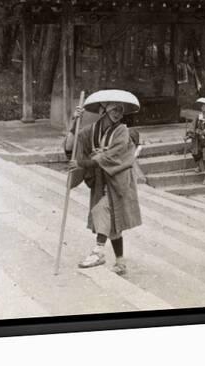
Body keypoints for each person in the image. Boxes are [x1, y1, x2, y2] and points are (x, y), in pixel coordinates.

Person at [63, 89, 142, 276]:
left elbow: (113, 155)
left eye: (120, 110)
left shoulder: (122, 131)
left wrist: (84, 162)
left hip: (118, 179)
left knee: (102, 211)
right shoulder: (91, 131)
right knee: (112, 222)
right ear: (103, 110)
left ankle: (98, 252)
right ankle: (121, 262)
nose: (118, 113)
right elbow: (70, 146)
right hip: (100, 179)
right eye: (114, 109)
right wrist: (75, 122)